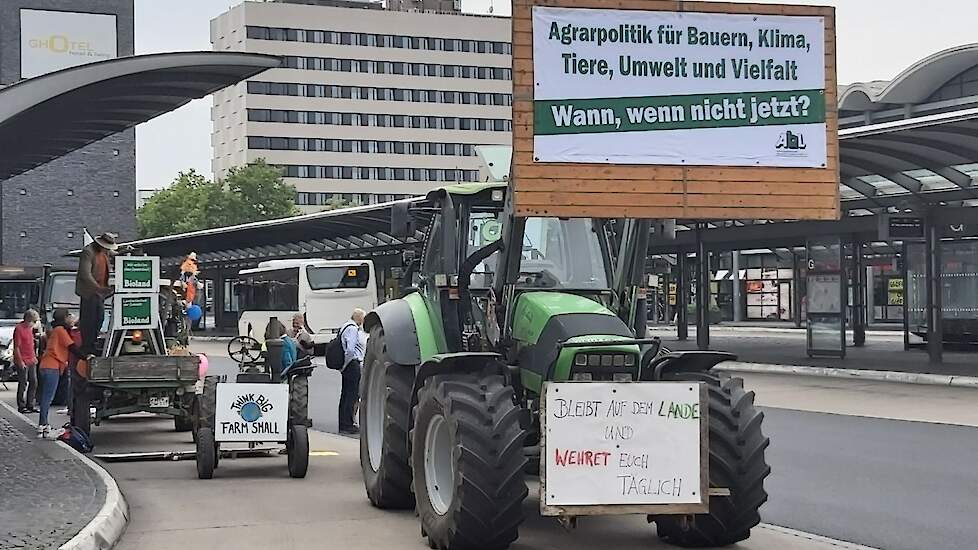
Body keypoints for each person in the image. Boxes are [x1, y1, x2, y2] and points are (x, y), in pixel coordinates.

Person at [38, 309, 89, 439]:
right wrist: (86, 357)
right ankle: (43, 425)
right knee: (48, 397)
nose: (71, 318)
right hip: (52, 366)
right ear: (64, 318)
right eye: (69, 316)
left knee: (46, 396)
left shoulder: (57, 330)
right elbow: (72, 347)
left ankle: (43, 424)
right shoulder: (60, 330)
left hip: (48, 365)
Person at [76, 232, 117, 355]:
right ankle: (87, 346)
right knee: (89, 320)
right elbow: (85, 274)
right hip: (89, 292)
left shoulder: (103, 252)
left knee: (99, 318)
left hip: (100, 292)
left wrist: (125, 251)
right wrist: (98, 288)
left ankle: (93, 342)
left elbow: (114, 254)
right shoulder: (88, 252)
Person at [338, 308, 365, 435]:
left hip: (348, 364)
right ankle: (347, 424)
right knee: (352, 394)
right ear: (359, 318)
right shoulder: (352, 329)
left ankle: (343, 422)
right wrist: (346, 364)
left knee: (345, 394)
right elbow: (350, 349)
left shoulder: (345, 326)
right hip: (352, 364)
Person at [14, 309, 39, 414]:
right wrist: (20, 361)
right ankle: (21, 405)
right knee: (23, 382)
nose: (33, 323)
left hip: (31, 358)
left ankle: (30, 404)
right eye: (33, 321)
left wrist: (34, 356)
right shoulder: (19, 329)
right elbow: (17, 347)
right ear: (28, 319)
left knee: (33, 382)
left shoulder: (30, 329)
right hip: (23, 359)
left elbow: (30, 344)